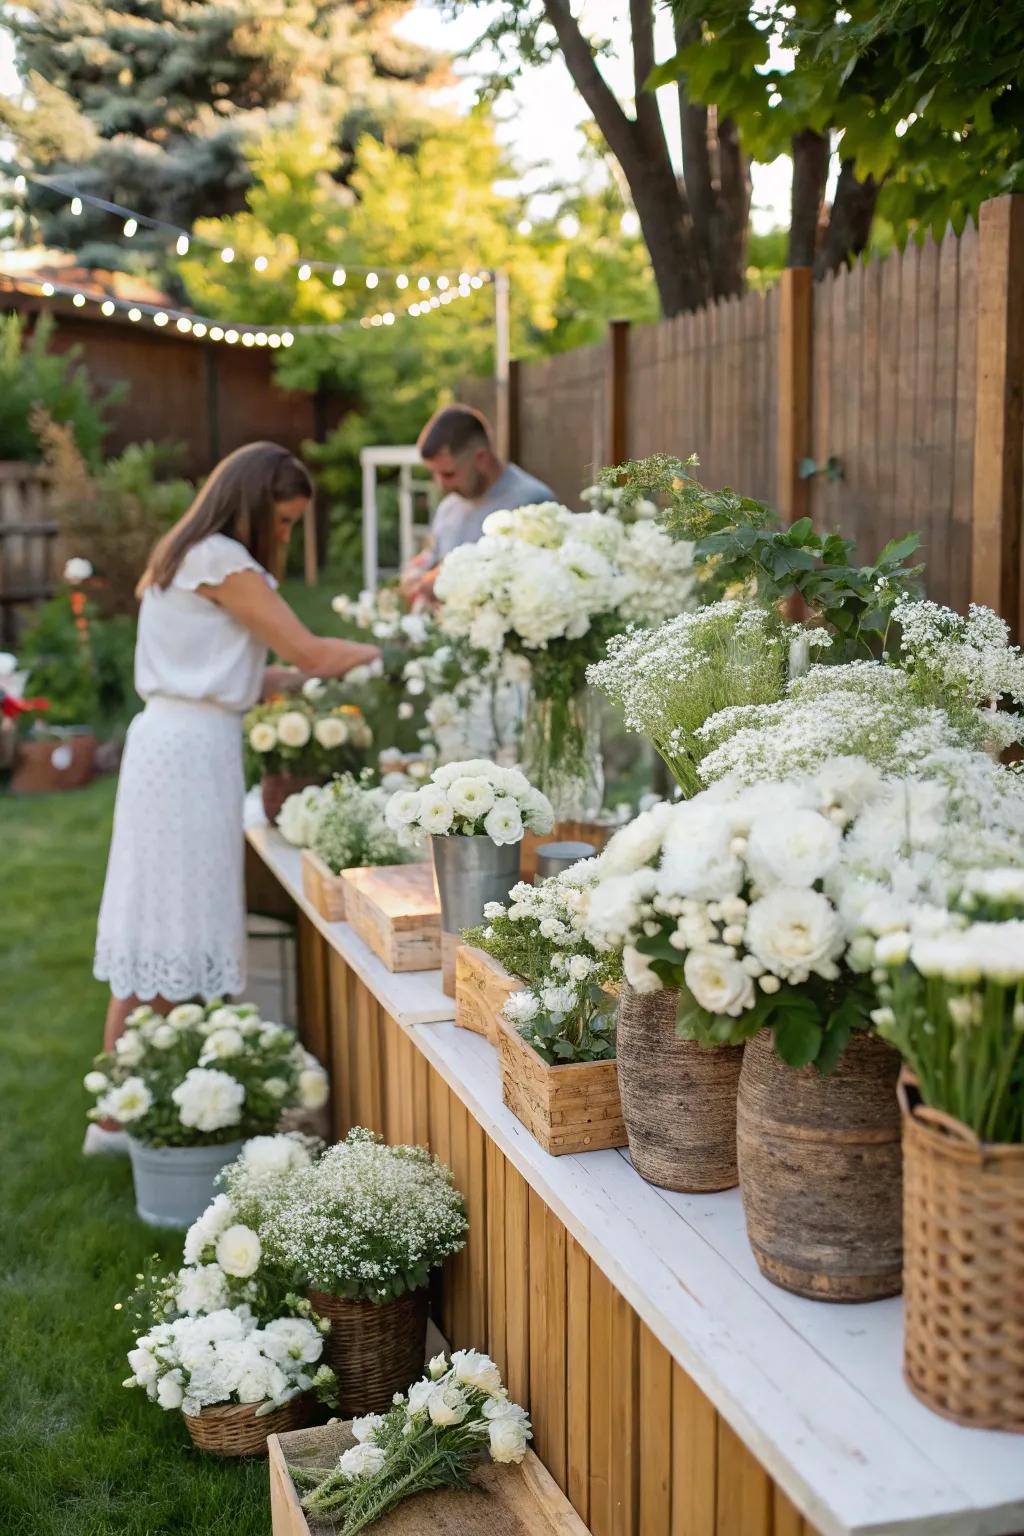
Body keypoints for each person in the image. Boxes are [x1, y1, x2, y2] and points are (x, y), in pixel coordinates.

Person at [87, 442, 378, 1151]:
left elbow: (245, 675)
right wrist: (391, 651)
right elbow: (308, 652)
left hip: (173, 744)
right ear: (251, 507)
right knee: (174, 928)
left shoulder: (184, 553)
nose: (282, 538)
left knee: (154, 926)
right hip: (189, 758)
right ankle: (139, 1111)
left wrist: (302, 676)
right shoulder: (223, 558)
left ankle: (113, 1115)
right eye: (281, 522)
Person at [399, 404, 554, 606]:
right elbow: (433, 557)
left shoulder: (532, 503)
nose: (440, 484)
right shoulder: (449, 506)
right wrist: (416, 574)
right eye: (434, 474)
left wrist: (444, 583)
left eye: (448, 474)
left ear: (481, 458)